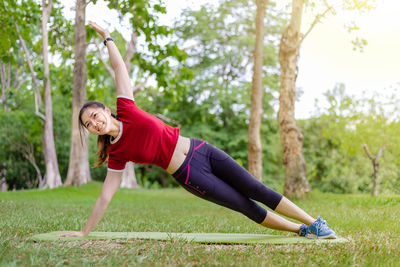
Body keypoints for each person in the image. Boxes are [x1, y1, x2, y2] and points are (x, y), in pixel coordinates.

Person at [58, 22, 336, 239]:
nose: (94, 124)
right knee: (245, 205)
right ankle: (301, 230)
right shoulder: (117, 154)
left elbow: (119, 67)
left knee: (255, 187)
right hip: (189, 174)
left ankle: (314, 222)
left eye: (95, 116)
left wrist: (107, 37)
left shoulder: (127, 108)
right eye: (88, 125)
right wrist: (85, 231)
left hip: (201, 150)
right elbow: (105, 195)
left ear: (106, 110)